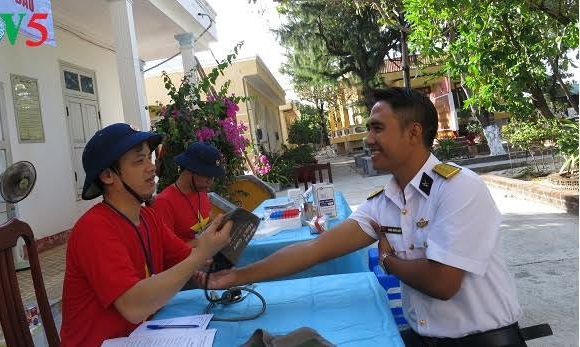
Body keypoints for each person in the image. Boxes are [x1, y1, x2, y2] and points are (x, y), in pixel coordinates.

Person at [204, 88, 540, 347]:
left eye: (377, 128)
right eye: (368, 129)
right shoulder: (386, 201)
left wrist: (389, 262)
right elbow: (313, 250)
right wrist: (236, 277)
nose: (368, 139)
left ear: (413, 132)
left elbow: (442, 283)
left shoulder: (458, 188)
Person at [60, 123, 232, 346]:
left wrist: (218, 245)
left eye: (149, 158)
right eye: (139, 161)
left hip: (143, 335)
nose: (151, 167)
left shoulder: (148, 218)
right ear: (107, 175)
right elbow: (134, 307)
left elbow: (190, 256)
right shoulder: (94, 229)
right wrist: (200, 256)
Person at [151, 142, 224, 246]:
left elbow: (207, 220)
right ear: (190, 170)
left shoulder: (201, 191)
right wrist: (202, 244)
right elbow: (165, 250)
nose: (211, 181)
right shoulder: (164, 203)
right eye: (207, 175)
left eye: (213, 177)